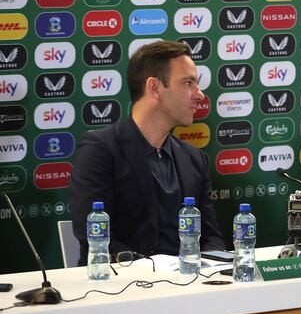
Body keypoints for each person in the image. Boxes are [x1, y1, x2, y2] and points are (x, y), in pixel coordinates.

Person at [69, 41, 224, 265]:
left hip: (189, 291)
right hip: (122, 290)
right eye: (188, 83)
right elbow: (95, 238)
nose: (199, 95)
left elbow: (212, 240)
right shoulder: (100, 150)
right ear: (154, 88)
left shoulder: (194, 159)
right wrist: (160, 271)